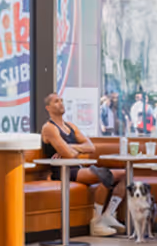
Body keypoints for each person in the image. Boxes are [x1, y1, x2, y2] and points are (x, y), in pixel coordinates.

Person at [40, 92, 125, 236]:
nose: (60, 103)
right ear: (48, 108)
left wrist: (70, 146)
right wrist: (72, 149)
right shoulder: (49, 128)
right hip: (63, 171)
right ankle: (96, 222)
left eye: (61, 100)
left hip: (78, 168)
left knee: (125, 174)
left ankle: (108, 214)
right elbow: (69, 155)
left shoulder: (70, 126)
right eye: (56, 101)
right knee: (105, 174)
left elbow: (91, 147)